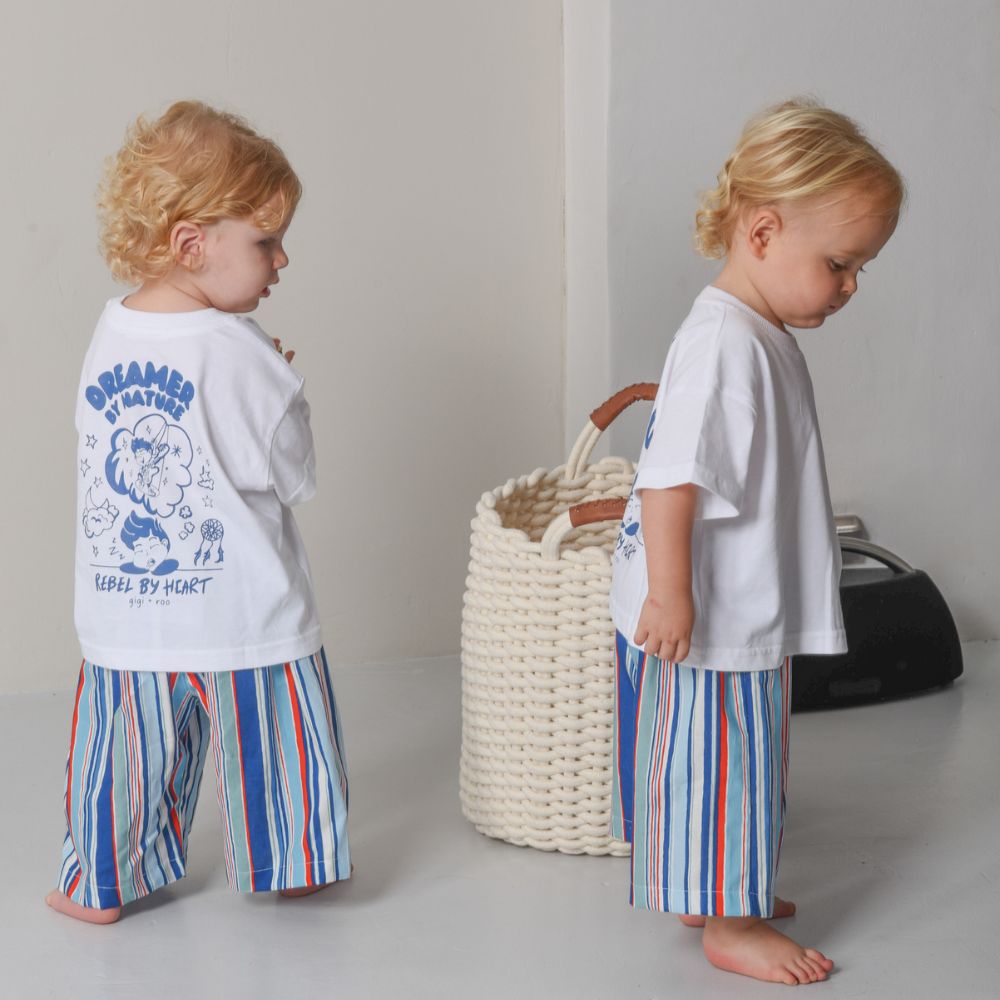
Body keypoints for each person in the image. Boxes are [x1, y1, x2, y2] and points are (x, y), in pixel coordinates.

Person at [609, 98, 903, 985]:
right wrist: (673, 593)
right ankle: (729, 923)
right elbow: (670, 479)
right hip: (709, 614)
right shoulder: (722, 346)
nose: (850, 286)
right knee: (719, 763)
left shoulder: (756, 333)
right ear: (764, 231)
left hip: (737, 601)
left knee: (733, 760)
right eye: (839, 264)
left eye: (860, 268)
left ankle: (713, 886)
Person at [46, 101, 350, 924]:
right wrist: (282, 390)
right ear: (191, 244)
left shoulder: (109, 333)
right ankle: (292, 860)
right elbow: (293, 476)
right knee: (278, 747)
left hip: (126, 615)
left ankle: (98, 883)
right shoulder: (238, 349)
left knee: (123, 763)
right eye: (265, 241)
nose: (281, 259)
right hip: (243, 615)